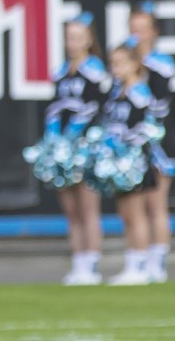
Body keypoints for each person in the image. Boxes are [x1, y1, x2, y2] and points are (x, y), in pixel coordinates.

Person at [46, 14, 108, 284]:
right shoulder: (61, 71)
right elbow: (54, 107)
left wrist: (76, 133)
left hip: (85, 147)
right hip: (62, 148)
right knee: (71, 210)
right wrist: (53, 135)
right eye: (69, 37)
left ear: (89, 40)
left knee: (88, 207)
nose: (72, 42)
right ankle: (78, 263)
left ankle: (92, 265)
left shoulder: (95, 70)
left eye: (77, 37)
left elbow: (97, 107)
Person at [97, 42, 159, 285]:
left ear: (135, 64)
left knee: (136, 214)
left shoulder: (140, 92)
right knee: (125, 214)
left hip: (134, 162)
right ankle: (132, 264)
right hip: (117, 162)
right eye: (113, 64)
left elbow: (146, 128)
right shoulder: (117, 92)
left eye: (121, 63)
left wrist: (124, 142)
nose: (116, 69)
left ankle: (141, 267)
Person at [129, 4, 175, 283]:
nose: (137, 35)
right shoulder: (126, 63)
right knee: (136, 208)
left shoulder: (161, 63)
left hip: (157, 142)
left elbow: (158, 105)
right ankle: (140, 261)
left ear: (154, 32)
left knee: (156, 205)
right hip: (133, 145)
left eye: (142, 29)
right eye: (133, 29)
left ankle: (158, 264)